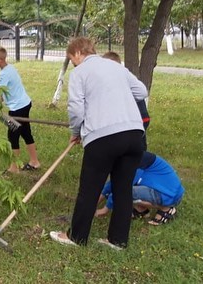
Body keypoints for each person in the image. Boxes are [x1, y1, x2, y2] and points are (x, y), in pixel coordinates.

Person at [50, 37, 148, 250]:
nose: (74, 64)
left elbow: (76, 109)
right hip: (134, 135)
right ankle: (118, 241)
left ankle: (76, 237)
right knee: (123, 188)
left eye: (72, 60)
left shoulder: (79, 73)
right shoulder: (115, 67)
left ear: (77, 53)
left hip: (103, 137)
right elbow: (142, 91)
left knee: (89, 188)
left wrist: (76, 131)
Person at [0, 46, 41, 171]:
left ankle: (14, 167)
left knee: (13, 136)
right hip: (25, 104)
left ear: (0, 60)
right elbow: (3, 95)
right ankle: (34, 161)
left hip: (18, 108)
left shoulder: (3, 74)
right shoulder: (10, 68)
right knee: (26, 132)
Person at [95, 151, 184, 226]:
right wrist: (93, 203)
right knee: (126, 189)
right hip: (165, 190)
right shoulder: (131, 157)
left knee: (125, 193)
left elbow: (121, 189)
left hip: (168, 195)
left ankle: (166, 209)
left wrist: (105, 209)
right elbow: (113, 182)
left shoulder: (134, 164)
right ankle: (141, 210)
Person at [102, 51, 151, 149]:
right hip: (141, 118)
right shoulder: (126, 77)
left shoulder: (116, 80)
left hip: (136, 118)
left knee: (132, 147)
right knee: (139, 144)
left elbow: (142, 93)